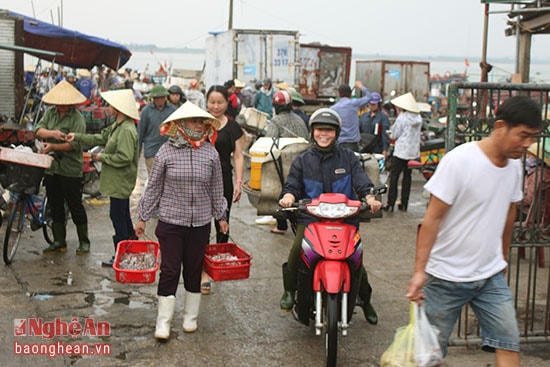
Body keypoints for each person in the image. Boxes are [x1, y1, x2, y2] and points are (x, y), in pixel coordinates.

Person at [406, 96, 543, 366]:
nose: (528, 144)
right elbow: (431, 220)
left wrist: (502, 258)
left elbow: (508, 214)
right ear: (500, 126)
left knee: (508, 343)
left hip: (489, 276)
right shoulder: (460, 161)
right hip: (445, 276)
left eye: (532, 137)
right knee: (428, 357)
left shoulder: (515, 166)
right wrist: (420, 271)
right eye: (523, 136)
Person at [278, 108, 382, 325]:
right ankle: (289, 291)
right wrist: (288, 196)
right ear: (312, 132)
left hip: (345, 221)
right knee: (298, 249)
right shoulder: (302, 160)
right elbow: (292, 185)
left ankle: (365, 298)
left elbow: (362, 182)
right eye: (319, 130)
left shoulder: (349, 158)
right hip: (311, 220)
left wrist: (370, 198)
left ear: (336, 133)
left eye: (329, 130)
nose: (323, 134)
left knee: (355, 260)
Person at [134, 102, 228, 340]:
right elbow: (153, 186)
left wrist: (221, 216)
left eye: (201, 121)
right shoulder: (166, 151)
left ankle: (190, 318)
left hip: (200, 224)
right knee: (170, 269)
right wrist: (142, 216)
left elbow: (217, 189)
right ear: (182, 124)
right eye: (194, 121)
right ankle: (163, 323)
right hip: (171, 221)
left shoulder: (210, 153)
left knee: (194, 270)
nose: (199, 124)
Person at [66, 89, 140, 267]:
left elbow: (124, 157)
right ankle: (132, 250)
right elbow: (100, 137)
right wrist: (77, 137)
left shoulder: (126, 130)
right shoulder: (118, 125)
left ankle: (121, 255)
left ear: (119, 108)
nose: (108, 107)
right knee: (123, 217)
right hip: (117, 181)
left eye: (111, 105)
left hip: (120, 181)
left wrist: (100, 157)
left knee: (118, 218)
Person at [198, 85, 246, 294]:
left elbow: (238, 155)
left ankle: (216, 262)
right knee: (199, 225)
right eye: (211, 102)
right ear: (206, 102)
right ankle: (201, 271)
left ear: (227, 103)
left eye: (220, 102)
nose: (215, 106)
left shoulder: (233, 127)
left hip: (224, 180)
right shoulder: (198, 122)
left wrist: (239, 182)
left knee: (223, 222)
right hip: (199, 179)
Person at [34, 80, 90, 255]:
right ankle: (59, 241)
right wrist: (52, 134)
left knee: (75, 205)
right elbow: (38, 129)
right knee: (55, 204)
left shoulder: (77, 118)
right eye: (59, 103)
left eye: (65, 103)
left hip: (70, 169)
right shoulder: (50, 113)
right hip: (51, 168)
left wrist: (53, 147)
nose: (62, 106)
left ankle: (84, 241)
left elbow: (75, 145)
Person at [264, 90, 310, 235]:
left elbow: (268, 142)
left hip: (283, 165)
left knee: (278, 192)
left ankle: (281, 225)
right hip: (302, 164)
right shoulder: (299, 119)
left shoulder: (276, 121)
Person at [384, 92, 422, 212]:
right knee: (407, 177)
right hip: (412, 152)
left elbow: (395, 134)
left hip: (400, 151)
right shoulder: (418, 118)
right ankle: (404, 203)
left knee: (394, 177)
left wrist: (390, 134)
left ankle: (391, 202)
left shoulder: (402, 117)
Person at [138, 85, 176, 175]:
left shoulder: (172, 110)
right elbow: (140, 133)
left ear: (165, 98)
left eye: (162, 98)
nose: (159, 100)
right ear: (153, 99)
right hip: (151, 151)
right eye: (157, 98)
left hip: (169, 151)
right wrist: (137, 153)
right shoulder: (146, 111)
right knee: (153, 179)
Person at [331, 81, 372, 152]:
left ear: (339, 94)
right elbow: (369, 97)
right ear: (350, 94)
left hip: (338, 143)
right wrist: (360, 86)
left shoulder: (333, 108)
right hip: (352, 144)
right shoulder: (354, 103)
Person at [359, 92, 391, 156]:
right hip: (364, 148)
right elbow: (358, 130)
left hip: (377, 148)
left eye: (373, 104)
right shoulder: (364, 116)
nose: (371, 106)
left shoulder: (383, 117)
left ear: (378, 104)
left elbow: (385, 134)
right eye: (370, 104)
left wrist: (385, 149)